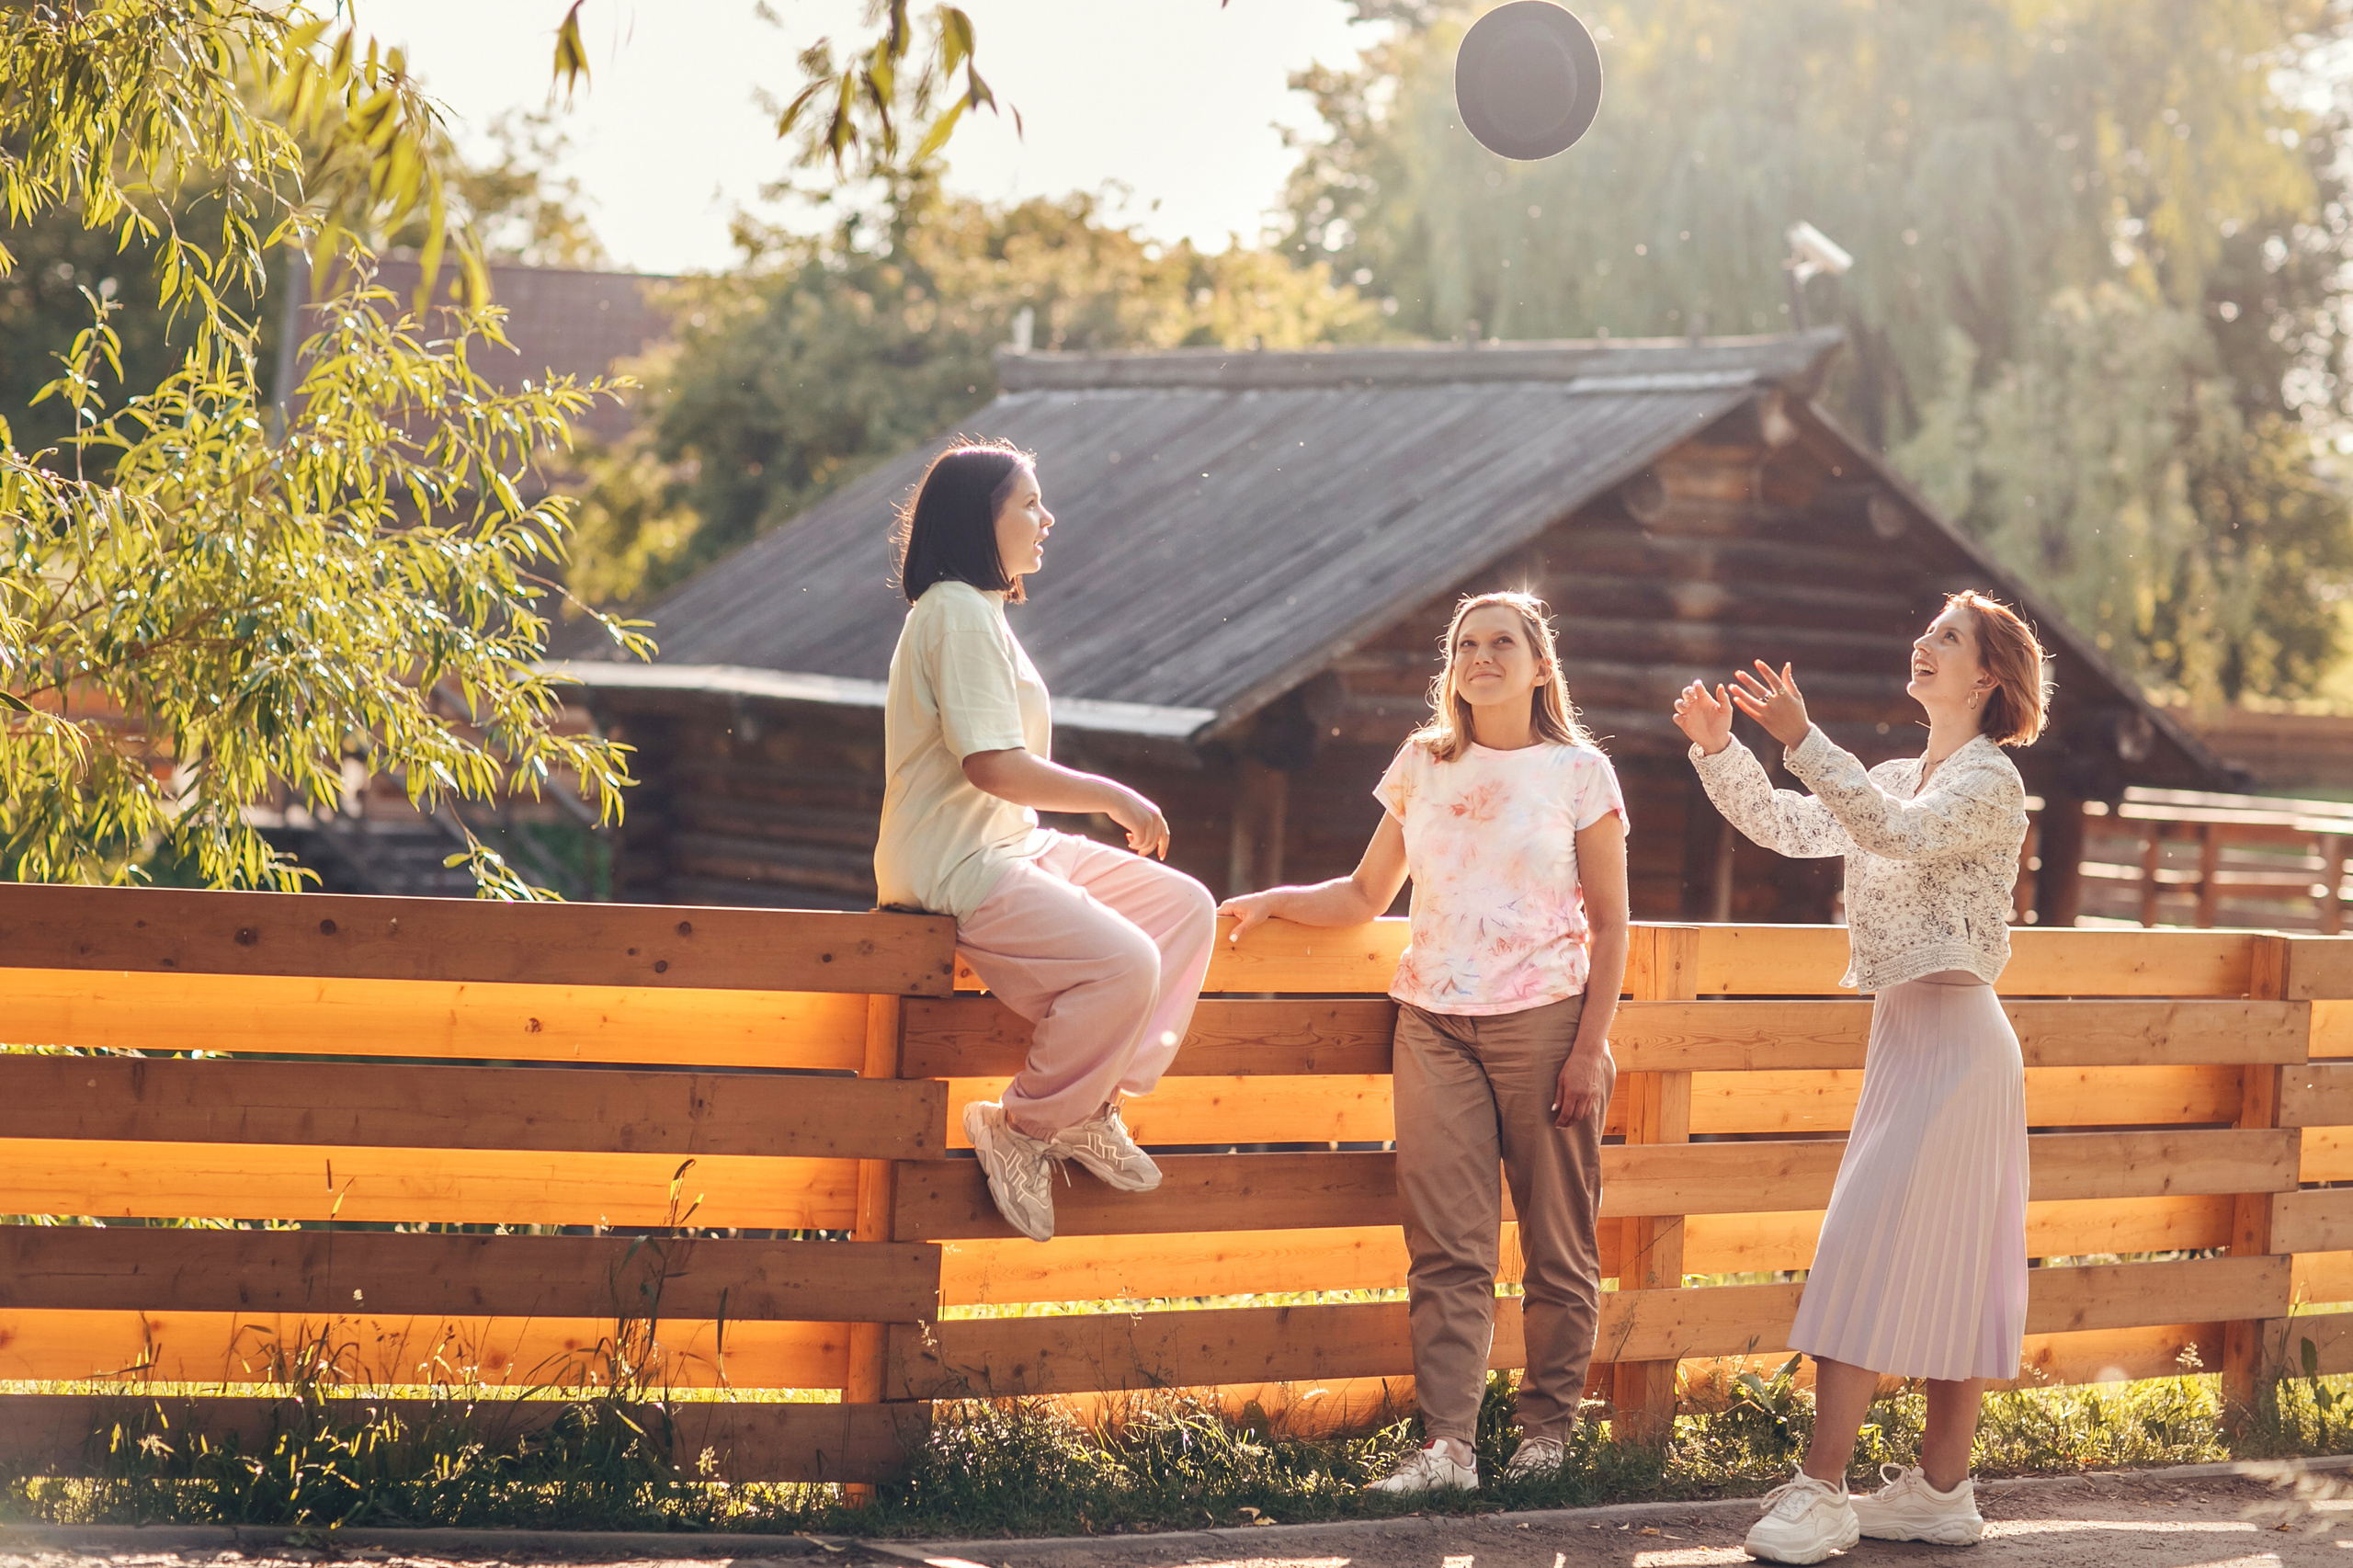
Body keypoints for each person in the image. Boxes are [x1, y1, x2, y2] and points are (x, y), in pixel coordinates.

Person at [1221, 591, 1629, 1494]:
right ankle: (1447, 1447)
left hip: (1546, 1020)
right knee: (1447, 1244)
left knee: (1557, 1241)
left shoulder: (1579, 772)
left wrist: (1586, 1046)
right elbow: (1367, 895)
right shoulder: (1423, 763)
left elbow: (1610, 923)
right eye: (1464, 645)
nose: (1479, 656)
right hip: (1431, 1022)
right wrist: (1277, 898)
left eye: (1500, 643)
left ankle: (1546, 1436)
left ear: (1539, 665)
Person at [1671, 590, 2048, 1562]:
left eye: (1946, 638)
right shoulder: (1891, 772)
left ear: (1987, 676)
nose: (1922, 645)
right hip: (1901, 1041)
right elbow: (1794, 827)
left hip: (1962, 1046)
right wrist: (1723, 749)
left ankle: (1827, 1488)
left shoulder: (1990, 783)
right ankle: (1938, 1494)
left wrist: (1802, 737)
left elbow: (1899, 832)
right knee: (1891, 1250)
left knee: (1873, 1250)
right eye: (1924, 632)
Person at [875, 439, 1217, 1244]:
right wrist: (1113, 796)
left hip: (1014, 845)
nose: (1046, 518)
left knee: (1185, 910)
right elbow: (993, 764)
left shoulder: (981, 613)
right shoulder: (954, 610)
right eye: (1028, 503)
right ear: (978, 520)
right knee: (1126, 964)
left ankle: (1090, 1106)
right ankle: (1023, 1126)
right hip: (956, 862)